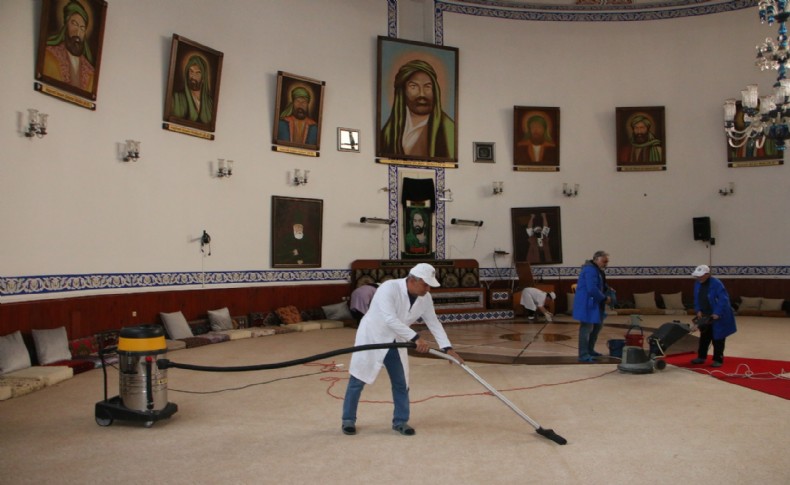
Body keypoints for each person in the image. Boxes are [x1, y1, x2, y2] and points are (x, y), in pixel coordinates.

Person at [341, 263, 463, 436]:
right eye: (425, 284)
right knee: (358, 378)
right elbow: (390, 319)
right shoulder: (389, 288)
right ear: (413, 280)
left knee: (401, 382)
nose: (428, 289)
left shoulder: (425, 298)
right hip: (373, 336)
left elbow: (433, 321)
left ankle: (400, 421)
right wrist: (415, 338)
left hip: (396, 340)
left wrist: (447, 347)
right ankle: (348, 419)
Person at [380, 59, 455, 159]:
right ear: (403, 91)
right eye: (413, 87)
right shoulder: (389, 131)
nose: (422, 94)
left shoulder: (448, 128)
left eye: (427, 87)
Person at [42, 0, 96, 92]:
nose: (77, 32)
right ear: (65, 25)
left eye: (82, 28)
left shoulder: (90, 71)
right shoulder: (50, 55)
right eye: (74, 24)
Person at [690, 265, 737, 368]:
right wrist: (698, 310)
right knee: (704, 337)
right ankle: (701, 357)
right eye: (697, 276)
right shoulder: (697, 284)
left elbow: (723, 299)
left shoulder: (717, 284)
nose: (698, 278)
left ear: (707, 274)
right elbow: (697, 298)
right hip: (705, 314)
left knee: (718, 338)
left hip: (718, 316)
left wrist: (717, 313)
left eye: (701, 276)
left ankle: (718, 359)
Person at [572, 251, 612, 363]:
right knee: (586, 329)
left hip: (595, 303)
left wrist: (607, 289)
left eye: (607, 262)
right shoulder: (590, 270)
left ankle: (590, 350)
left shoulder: (597, 270)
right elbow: (591, 288)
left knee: (597, 327)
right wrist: (604, 298)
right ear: (597, 259)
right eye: (604, 261)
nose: (606, 264)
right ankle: (583, 354)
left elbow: (600, 284)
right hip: (588, 303)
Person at [171, 54, 214, 124]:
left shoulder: (210, 103)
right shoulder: (176, 98)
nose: (193, 76)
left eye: (197, 73)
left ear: (203, 78)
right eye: (191, 71)